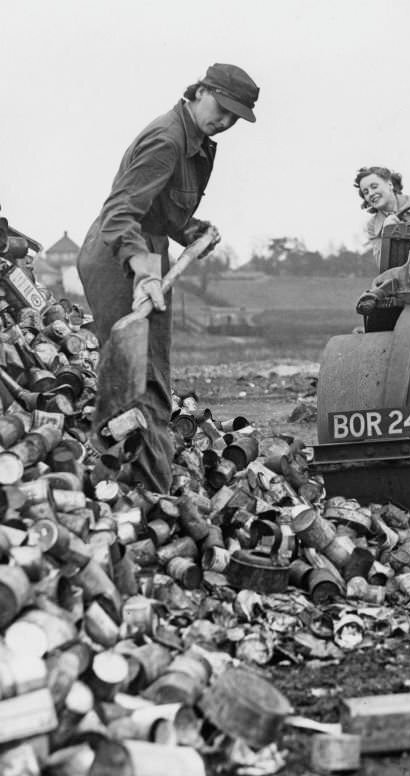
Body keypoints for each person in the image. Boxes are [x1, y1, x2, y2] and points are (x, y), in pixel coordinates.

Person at [77, 63, 259, 494]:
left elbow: (160, 210)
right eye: (222, 107)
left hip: (146, 252)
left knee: (144, 378)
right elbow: (121, 212)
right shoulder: (167, 138)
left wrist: (190, 231)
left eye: (235, 117)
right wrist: (142, 272)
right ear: (200, 91)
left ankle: (127, 486)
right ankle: (143, 494)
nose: (226, 121)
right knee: (140, 382)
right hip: (120, 258)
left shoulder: (196, 141)